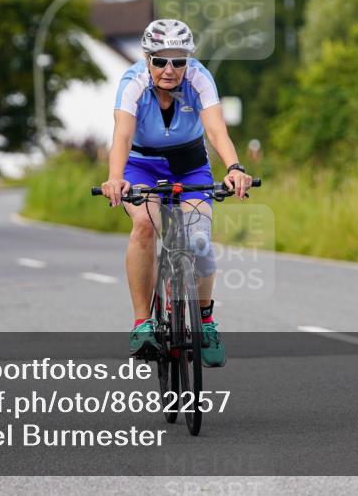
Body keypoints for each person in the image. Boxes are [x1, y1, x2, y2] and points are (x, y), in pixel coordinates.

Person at [99, 19, 253, 367]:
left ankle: (207, 323)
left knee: (198, 239)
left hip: (189, 164)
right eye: (160, 60)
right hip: (142, 166)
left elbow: (215, 129)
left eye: (179, 61)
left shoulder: (199, 78)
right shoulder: (132, 82)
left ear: (188, 61)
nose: (170, 69)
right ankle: (143, 323)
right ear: (146, 58)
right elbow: (122, 136)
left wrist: (234, 168)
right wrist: (114, 178)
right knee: (144, 226)